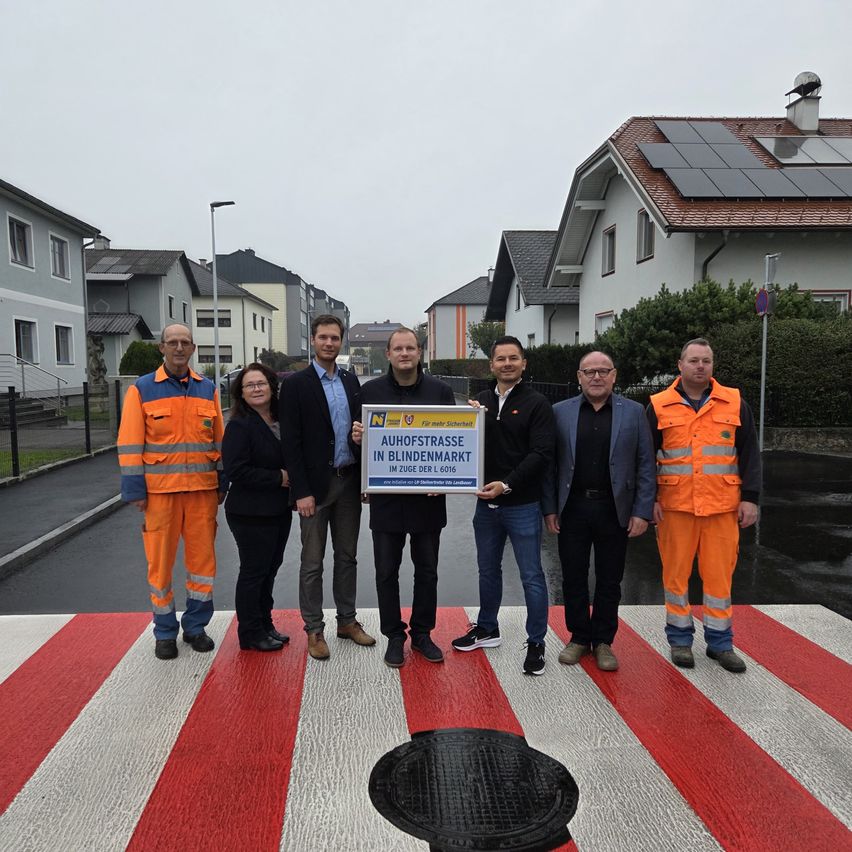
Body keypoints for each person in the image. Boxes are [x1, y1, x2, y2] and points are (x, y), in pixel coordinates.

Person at [647, 338, 761, 673]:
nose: (700, 367)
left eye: (706, 361)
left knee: (719, 579)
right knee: (676, 577)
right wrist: (648, 501)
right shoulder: (658, 405)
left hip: (722, 507)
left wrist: (751, 498)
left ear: (713, 365)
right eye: (694, 360)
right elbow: (645, 459)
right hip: (675, 507)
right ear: (680, 365)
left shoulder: (735, 403)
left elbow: (750, 455)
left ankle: (720, 644)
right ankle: (680, 641)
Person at [117, 323, 226, 660]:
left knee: (202, 566)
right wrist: (135, 488)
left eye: (185, 343)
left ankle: (195, 627)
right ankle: (164, 631)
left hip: (201, 492)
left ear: (193, 349)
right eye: (172, 343)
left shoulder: (208, 389)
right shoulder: (142, 390)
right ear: (161, 348)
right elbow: (130, 441)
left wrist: (222, 482)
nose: (179, 348)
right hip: (159, 494)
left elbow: (219, 439)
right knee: (160, 567)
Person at [542, 351, 656, 672]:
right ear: (579, 376)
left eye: (603, 371)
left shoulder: (634, 413)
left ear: (614, 375)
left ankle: (604, 641)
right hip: (573, 508)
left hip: (614, 509)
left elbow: (646, 465)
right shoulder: (560, 413)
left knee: (610, 579)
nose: (596, 376)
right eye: (589, 371)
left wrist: (641, 511)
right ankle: (579, 636)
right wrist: (549, 508)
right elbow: (550, 465)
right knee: (573, 576)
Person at [451, 336, 555, 675]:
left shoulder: (537, 403)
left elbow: (540, 454)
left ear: (524, 363)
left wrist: (507, 484)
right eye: (501, 359)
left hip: (521, 504)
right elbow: (461, 447)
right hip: (486, 505)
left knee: (531, 576)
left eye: (514, 358)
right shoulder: (479, 401)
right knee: (487, 570)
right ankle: (487, 628)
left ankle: (536, 641)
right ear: (491, 365)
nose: (507, 363)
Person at [351, 327, 455, 668]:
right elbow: (359, 444)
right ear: (388, 354)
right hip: (387, 500)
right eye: (398, 348)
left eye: (410, 347)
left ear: (419, 352)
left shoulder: (440, 392)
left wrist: (447, 478)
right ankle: (395, 635)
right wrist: (357, 438)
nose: (405, 353)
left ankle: (422, 634)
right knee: (386, 572)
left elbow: (453, 441)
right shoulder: (370, 392)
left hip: (428, 498)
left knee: (427, 571)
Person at [279, 314, 375, 659]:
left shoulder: (351, 381)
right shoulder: (295, 385)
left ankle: (347, 621)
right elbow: (290, 442)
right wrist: (300, 491)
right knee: (313, 561)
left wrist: (366, 479)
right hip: (314, 488)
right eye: (323, 338)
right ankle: (314, 629)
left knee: (347, 557)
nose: (329, 343)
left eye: (335, 338)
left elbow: (362, 433)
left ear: (341, 341)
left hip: (348, 481)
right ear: (314, 341)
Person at [222, 363, 292, 652]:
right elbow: (236, 470)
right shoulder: (239, 425)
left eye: (261, 383)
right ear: (241, 392)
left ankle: (265, 623)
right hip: (249, 513)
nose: (256, 389)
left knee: (270, 570)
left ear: (271, 386)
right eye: (249, 385)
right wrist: (278, 477)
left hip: (278, 509)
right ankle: (250, 633)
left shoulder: (280, 420)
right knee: (253, 572)